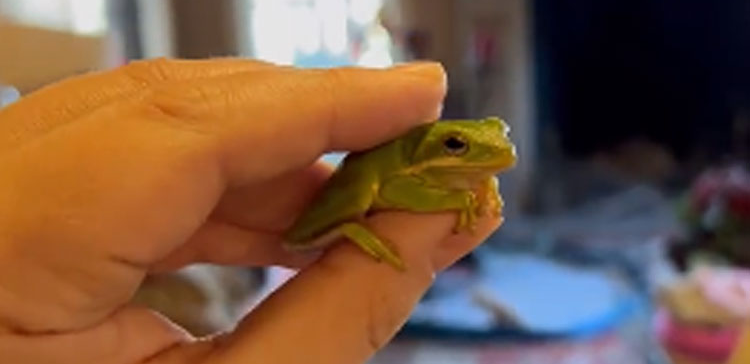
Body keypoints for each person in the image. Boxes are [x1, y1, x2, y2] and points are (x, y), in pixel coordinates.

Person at [0, 58, 502, 363]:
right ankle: (348, 222)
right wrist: (457, 196)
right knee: (365, 188)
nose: (497, 152)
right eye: (458, 145)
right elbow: (404, 193)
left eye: (501, 135)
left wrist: (469, 186)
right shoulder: (412, 170)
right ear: (438, 149)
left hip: (393, 178)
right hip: (370, 184)